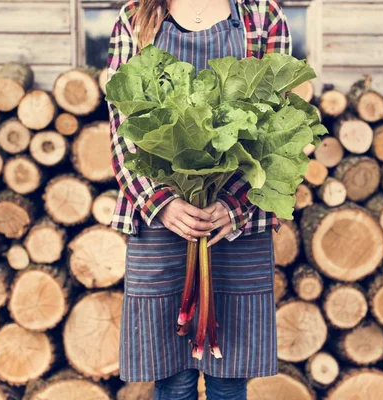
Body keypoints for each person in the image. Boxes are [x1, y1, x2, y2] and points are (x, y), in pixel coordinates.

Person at [105, 0, 292, 398]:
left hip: (237, 223)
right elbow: (123, 130)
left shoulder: (263, 15)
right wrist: (162, 203)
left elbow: (279, 124)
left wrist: (234, 206)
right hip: (161, 221)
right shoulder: (135, 16)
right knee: (172, 379)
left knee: (229, 377)